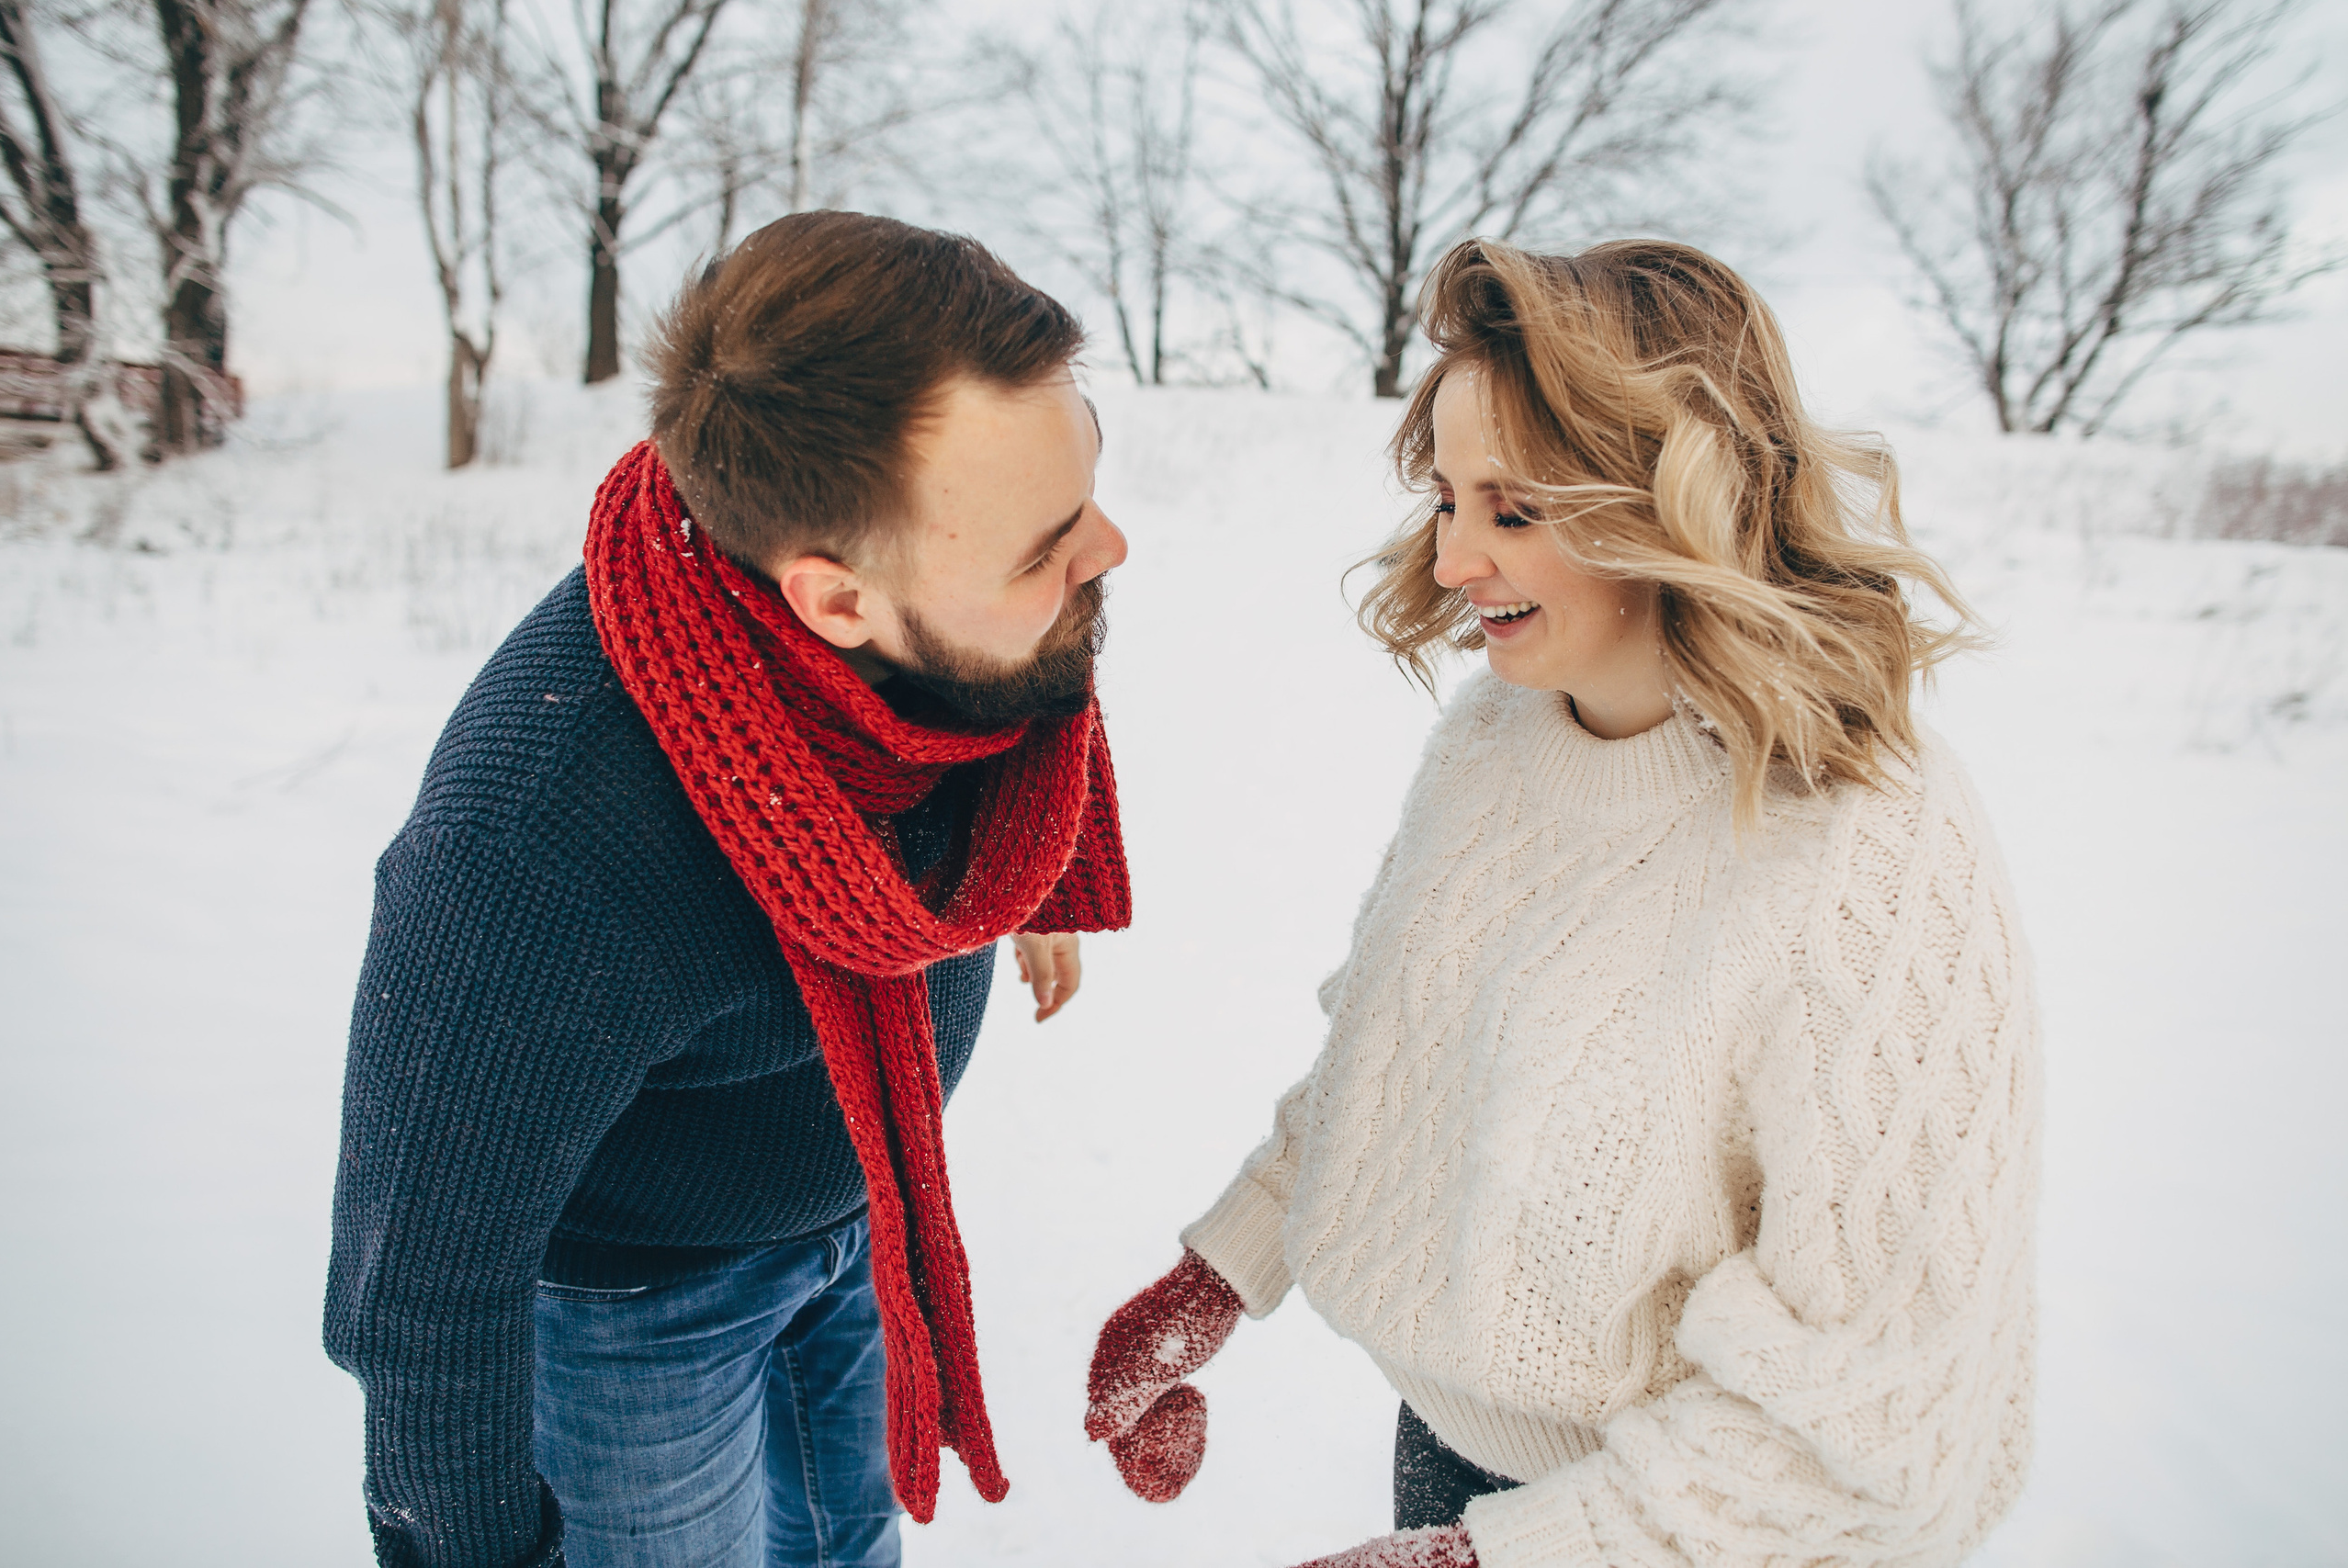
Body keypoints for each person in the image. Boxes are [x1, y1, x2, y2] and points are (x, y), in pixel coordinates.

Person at [1084, 237, 2040, 1568]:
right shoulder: (1496, 738)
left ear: (1676, 502)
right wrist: (1223, 1270)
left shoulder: (1868, 844)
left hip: (1693, 1529)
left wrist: (1494, 1562)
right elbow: (1399, 1041)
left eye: (1516, 509)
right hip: (1458, 1462)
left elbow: (1889, 1396)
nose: (1459, 555)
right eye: (1448, 499)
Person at [324, 211, 1132, 1568]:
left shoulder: (946, 608)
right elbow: (421, 1287)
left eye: (1088, 486)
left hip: (862, 1209)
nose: (1106, 548)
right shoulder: (542, 844)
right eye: (1043, 548)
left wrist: (1023, 871)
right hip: (637, 1317)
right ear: (833, 603)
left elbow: (1015, 686)